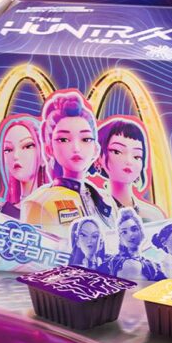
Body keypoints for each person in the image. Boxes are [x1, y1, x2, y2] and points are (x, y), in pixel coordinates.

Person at [21, 90, 113, 245]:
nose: (76, 148)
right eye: (63, 139)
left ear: (95, 149)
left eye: (85, 139)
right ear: (49, 149)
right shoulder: (38, 203)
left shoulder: (106, 200)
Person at [0, 115, 47, 225]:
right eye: (8, 149)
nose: (15, 156)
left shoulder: (58, 209)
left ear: (43, 155)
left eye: (28, 146)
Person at [96, 117, 165, 222]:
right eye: (117, 151)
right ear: (98, 157)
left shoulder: (153, 215)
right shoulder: (93, 211)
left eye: (137, 156)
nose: (129, 161)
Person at [103, 208, 164, 281]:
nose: (130, 235)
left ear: (141, 231)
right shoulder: (112, 262)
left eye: (134, 229)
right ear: (120, 237)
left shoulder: (153, 265)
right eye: (124, 232)